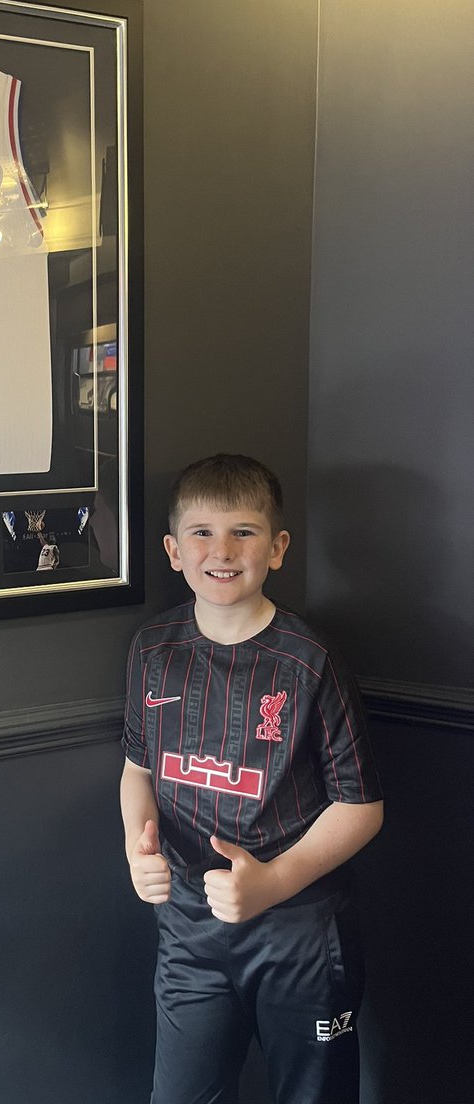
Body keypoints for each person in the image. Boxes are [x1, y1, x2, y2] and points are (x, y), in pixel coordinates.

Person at [121, 454, 383, 1104]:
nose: (223, 549)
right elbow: (137, 768)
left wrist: (273, 884)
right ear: (174, 551)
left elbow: (361, 808)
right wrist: (136, 844)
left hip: (300, 926)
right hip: (188, 923)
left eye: (244, 531)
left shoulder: (310, 659)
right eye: (202, 533)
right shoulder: (152, 649)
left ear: (278, 546)